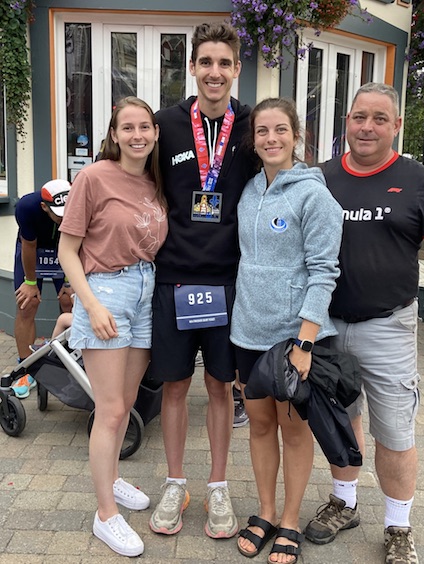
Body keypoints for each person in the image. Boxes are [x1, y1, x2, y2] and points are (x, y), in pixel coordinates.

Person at [304, 83, 424, 564]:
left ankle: (398, 526)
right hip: (328, 324)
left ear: (396, 125)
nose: (367, 126)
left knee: (394, 432)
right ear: (347, 122)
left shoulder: (421, 183)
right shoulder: (321, 178)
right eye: (359, 116)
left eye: (380, 118)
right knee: (341, 420)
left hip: (389, 325)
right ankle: (344, 503)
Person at [148, 21, 257, 540]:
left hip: (229, 282)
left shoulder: (255, 126)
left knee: (219, 386)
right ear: (192, 67)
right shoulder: (165, 124)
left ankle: (217, 485)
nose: (215, 73)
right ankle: (175, 482)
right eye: (206, 62)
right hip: (172, 280)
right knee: (173, 387)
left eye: (225, 64)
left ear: (237, 70)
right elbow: (126, 180)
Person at [231, 97, 343, 564]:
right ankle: (266, 512)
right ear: (253, 140)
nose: (271, 138)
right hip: (247, 334)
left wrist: (305, 340)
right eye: (262, 131)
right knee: (259, 427)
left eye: (281, 130)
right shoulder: (250, 190)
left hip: (292, 339)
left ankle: (291, 521)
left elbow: (324, 272)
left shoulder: (314, 195)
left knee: (294, 432)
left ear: (297, 136)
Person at [58, 96, 168, 557]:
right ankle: (106, 515)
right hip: (106, 291)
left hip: (147, 291)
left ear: (155, 134)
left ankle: (115, 479)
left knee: (125, 403)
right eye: (128, 128)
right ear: (114, 135)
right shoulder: (94, 177)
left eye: (145, 127)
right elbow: (68, 250)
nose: (137, 135)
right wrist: (92, 305)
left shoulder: (156, 183)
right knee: (108, 409)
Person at [12, 179, 73, 398]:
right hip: (34, 251)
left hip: (65, 249)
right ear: (44, 207)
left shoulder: (79, 201)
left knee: (70, 301)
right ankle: (25, 369)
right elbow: (29, 245)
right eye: (58, 213)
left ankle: (70, 358)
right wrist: (30, 283)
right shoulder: (27, 206)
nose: (63, 216)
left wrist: (68, 282)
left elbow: (77, 243)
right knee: (27, 304)